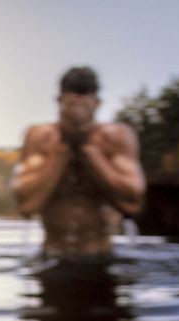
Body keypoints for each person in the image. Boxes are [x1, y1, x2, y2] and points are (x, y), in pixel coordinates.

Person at [11, 66, 146, 260]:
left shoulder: (116, 137)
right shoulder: (40, 137)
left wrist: (91, 153)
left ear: (97, 102)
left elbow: (132, 204)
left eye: (85, 95)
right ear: (59, 100)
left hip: (100, 257)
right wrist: (61, 152)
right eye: (72, 94)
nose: (77, 102)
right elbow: (26, 206)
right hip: (51, 256)